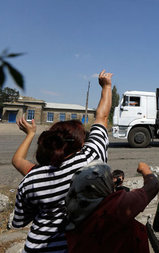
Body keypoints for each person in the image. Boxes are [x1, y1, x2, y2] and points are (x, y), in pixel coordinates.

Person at [12, 70, 113, 252]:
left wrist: (30, 134)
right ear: (80, 143)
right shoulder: (91, 159)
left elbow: (19, 221)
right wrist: (106, 86)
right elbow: (102, 117)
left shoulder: (33, 178)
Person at [65, 161, 159, 253]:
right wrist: (144, 169)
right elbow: (153, 186)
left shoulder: (73, 211)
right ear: (103, 185)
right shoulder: (113, 207)